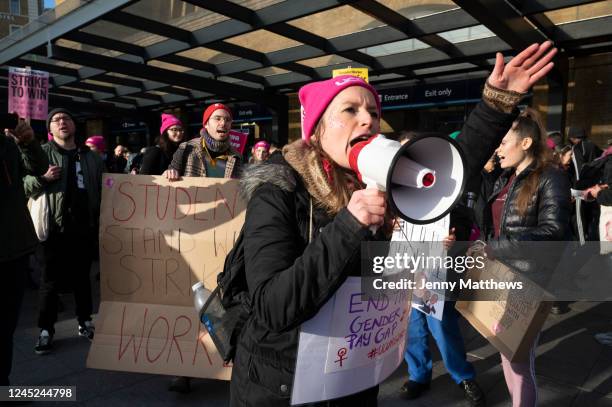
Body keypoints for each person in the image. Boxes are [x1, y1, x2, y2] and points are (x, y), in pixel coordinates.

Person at [230, 41, 558, 406]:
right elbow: (273, 307)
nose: (368, 119)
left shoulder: (380, 181)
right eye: (350, 110)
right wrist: (350, 223)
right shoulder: (280, 188)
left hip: (350, 378)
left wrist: (496, 103)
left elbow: (449, 168)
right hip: (281, 385)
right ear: (317, 130)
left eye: (372, 110)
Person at [479, 108, 571, 406]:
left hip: (529, 281)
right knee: (507, 353)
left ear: (526, 143)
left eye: (504, 142)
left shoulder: (550, 177)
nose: (499, 149)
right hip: (499, 278)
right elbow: (491, 223)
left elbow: (554, 231)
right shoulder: (504, 178)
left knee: (519, 361)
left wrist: (501, 245)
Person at [23, 108, 103, 355]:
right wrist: (43, 178)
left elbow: (103, 186)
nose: (61, 122)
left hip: (83, 226)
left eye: (66, 118)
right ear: (50, 129)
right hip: (53, 228)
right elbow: (22, 184)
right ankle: (46, 329)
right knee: (49, 281)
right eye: (56, 120)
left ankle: (85, 321)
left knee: (82, 277)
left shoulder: (90, 156)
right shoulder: (41, 153)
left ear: (74, 126)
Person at [1, 117, 48, 384]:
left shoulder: (8, 144)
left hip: (13, 250)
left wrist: (27, 142)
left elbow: (38, 168)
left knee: (5, 328)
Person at [165, 103, 240, 180]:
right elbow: (169, 176)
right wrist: (170, 173)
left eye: (227, 120)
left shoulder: (236, 156)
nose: (223, 123)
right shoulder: (186, 148)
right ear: (206, 124)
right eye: (217, 118)